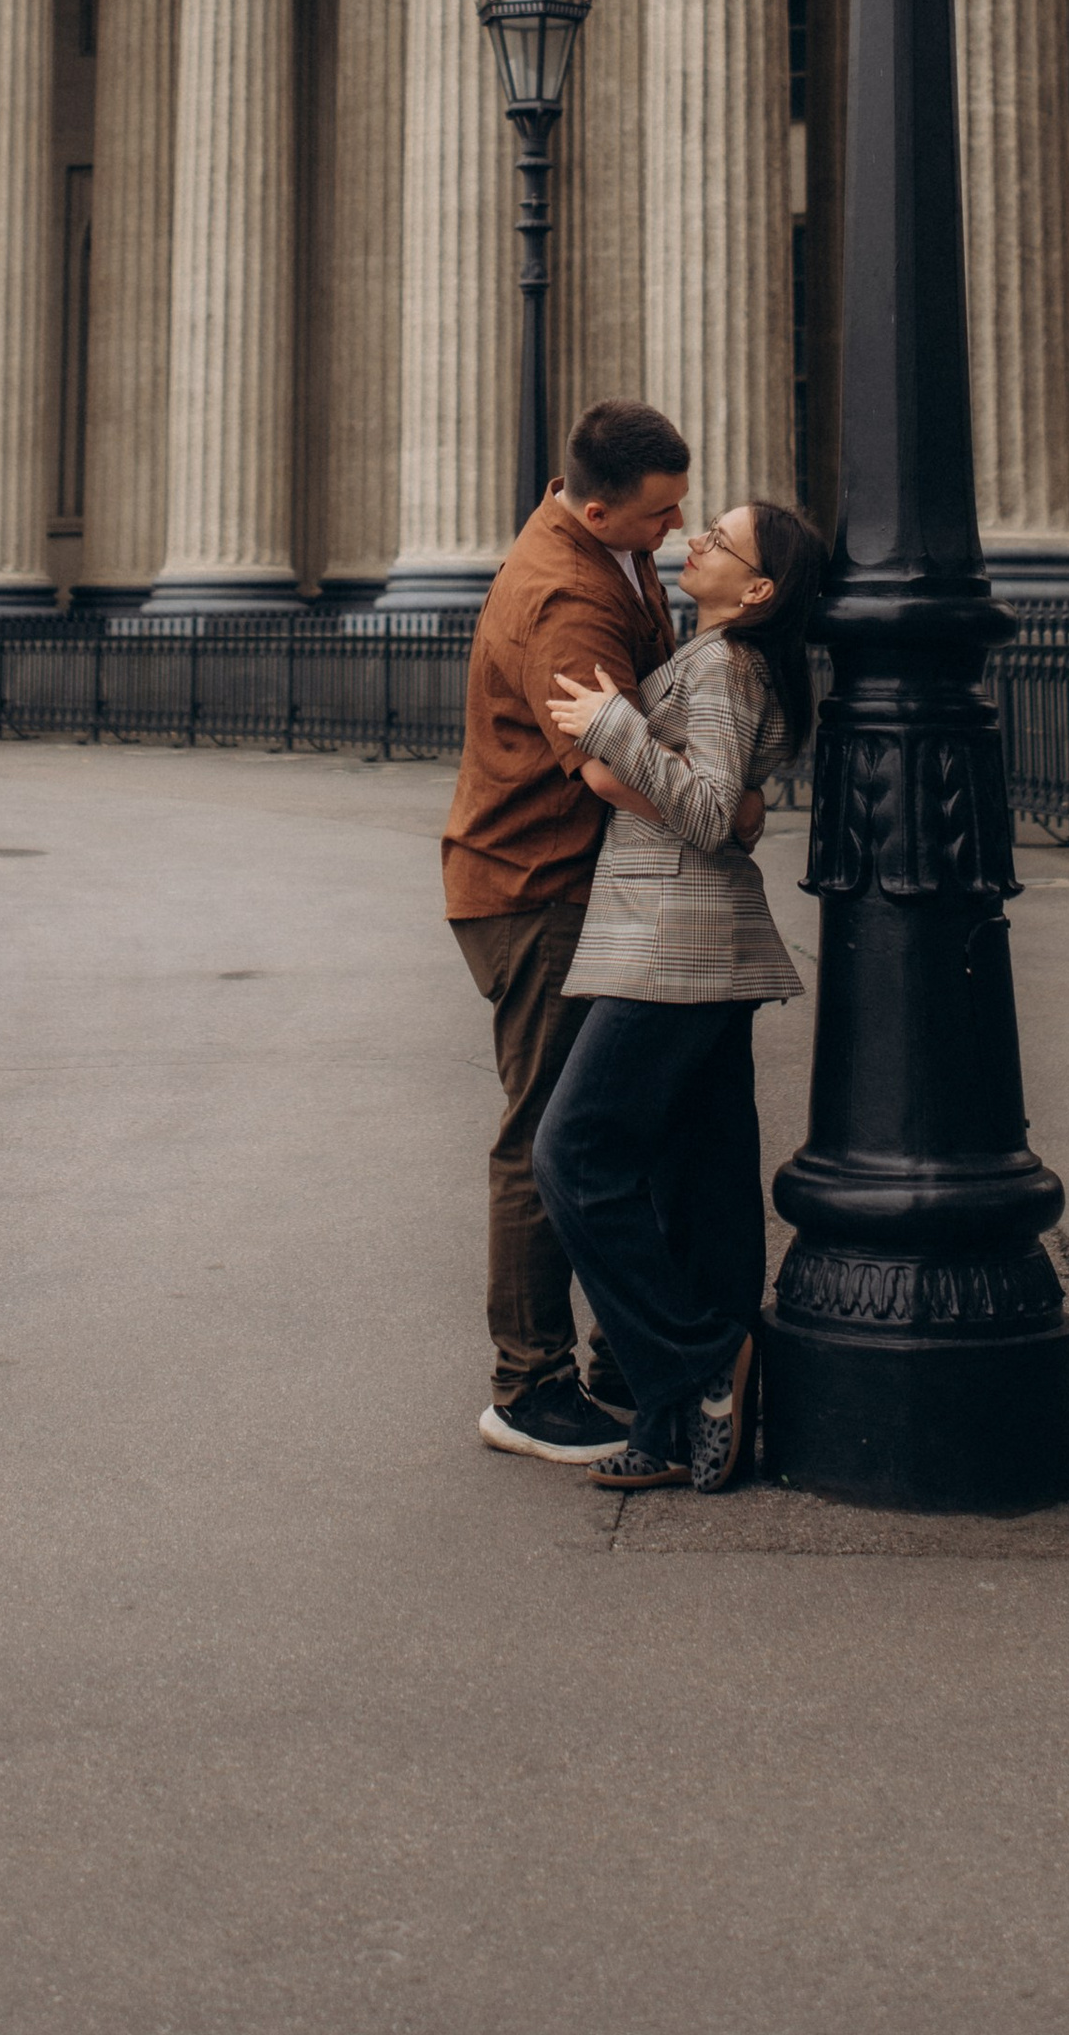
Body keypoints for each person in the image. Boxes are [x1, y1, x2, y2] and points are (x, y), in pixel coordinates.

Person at [442, 400, 766, 1463]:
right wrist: (731, 809)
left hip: (570, 884)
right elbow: (605, 766)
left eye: (687, 512)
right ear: (593, 506)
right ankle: (526, 1386)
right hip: (535, 888)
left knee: (615, 1129)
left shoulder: (610, 550)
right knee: (550, 1137)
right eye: (663, 514)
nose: (678, 532)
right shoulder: (565, 596)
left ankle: (618, 1360)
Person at [530, 499, 824, 1495]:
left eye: (719, 540)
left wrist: (611, 723)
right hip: (687, 944)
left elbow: (704, 810)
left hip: (677, 945)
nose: (693, 539)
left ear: (757, 589)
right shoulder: (717, 660)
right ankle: (678, 1417)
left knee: (570, 1153)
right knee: (698, 1183)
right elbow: (725, 806)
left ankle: (699, 1358)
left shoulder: (726, 665)